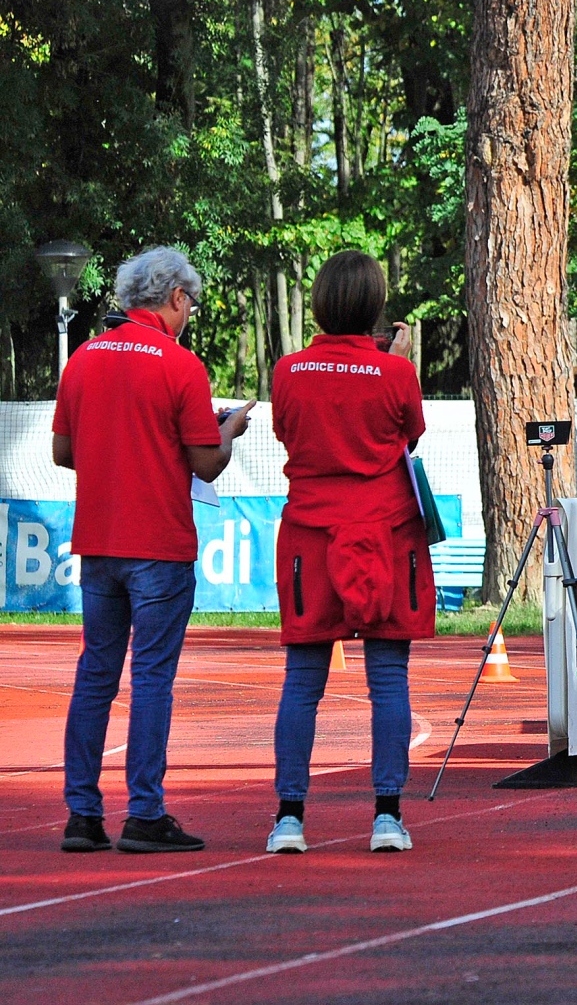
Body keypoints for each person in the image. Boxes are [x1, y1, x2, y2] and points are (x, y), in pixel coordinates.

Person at [53, 246, 254, 854]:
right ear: (175, 297)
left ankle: (82, 815)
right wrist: (228, 430)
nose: (189, 313)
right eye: (190, 302)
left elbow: (63, 452)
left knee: (95, 675)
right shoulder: (180, 365)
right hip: (159, 544)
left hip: (99, 538)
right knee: (151, 679)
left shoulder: (84, 357)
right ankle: (144, 812)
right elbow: (205, 464)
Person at [265, 250, 434, 855]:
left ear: (319, 304)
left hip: (311, 536)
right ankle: (387, 815)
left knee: (302, 681)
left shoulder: (289, 371)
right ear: (375, 306)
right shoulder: (395, 373)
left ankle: (289, 818)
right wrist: (396, 364)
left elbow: (287, 433)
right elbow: (410, 436)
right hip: (386, 534)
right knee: (388, 680)